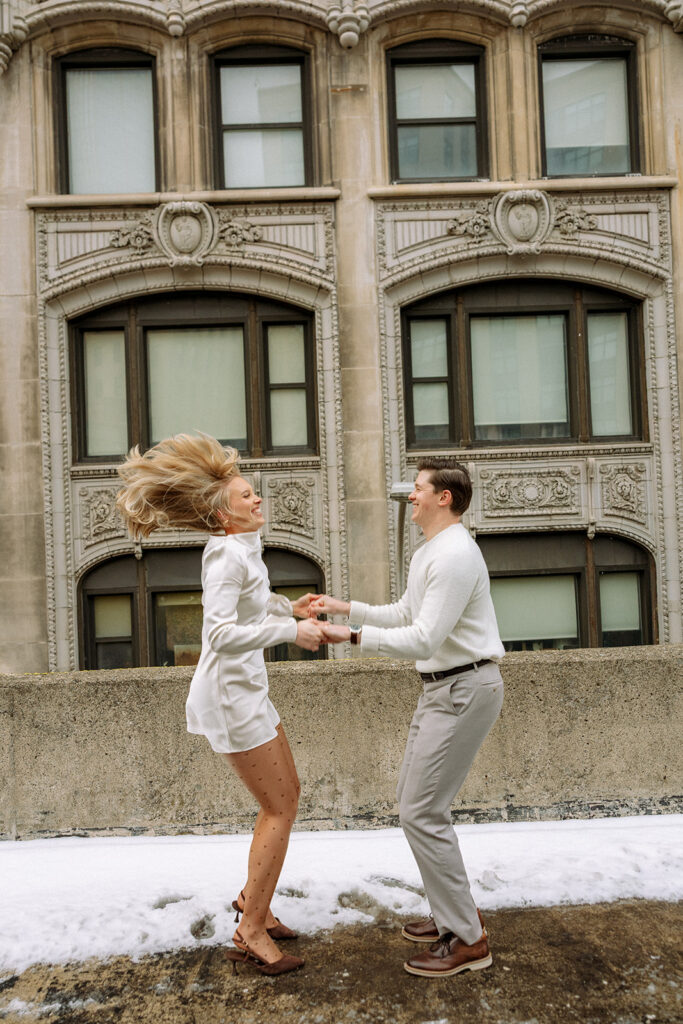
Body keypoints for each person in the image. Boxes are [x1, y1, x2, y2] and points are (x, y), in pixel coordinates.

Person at [116, 433, 324, 976]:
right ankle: (251, 930)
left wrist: (287, 606)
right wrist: (290, 631)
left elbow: (252, 607)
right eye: (246, 497)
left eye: (254, 493)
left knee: (286, 797)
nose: (257, 500)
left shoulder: (242, 549)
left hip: (247, 691)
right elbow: (222, 633)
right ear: (223, 516)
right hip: (232, 698)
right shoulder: (227, 555)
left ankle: (254, 903)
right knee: (280, 806)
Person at [312, 458, 505, 978]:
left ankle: (467, 940)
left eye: (418, 488)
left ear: (444, 497)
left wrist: (349, 639)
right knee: (416, 805)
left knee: (422, 811)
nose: (410, 495)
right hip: (443, 688)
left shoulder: (456, 555)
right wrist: (343, 608)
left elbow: (423, 640)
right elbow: (405, 614)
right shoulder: (431, 552)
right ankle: (452, 915)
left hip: (464, 687)